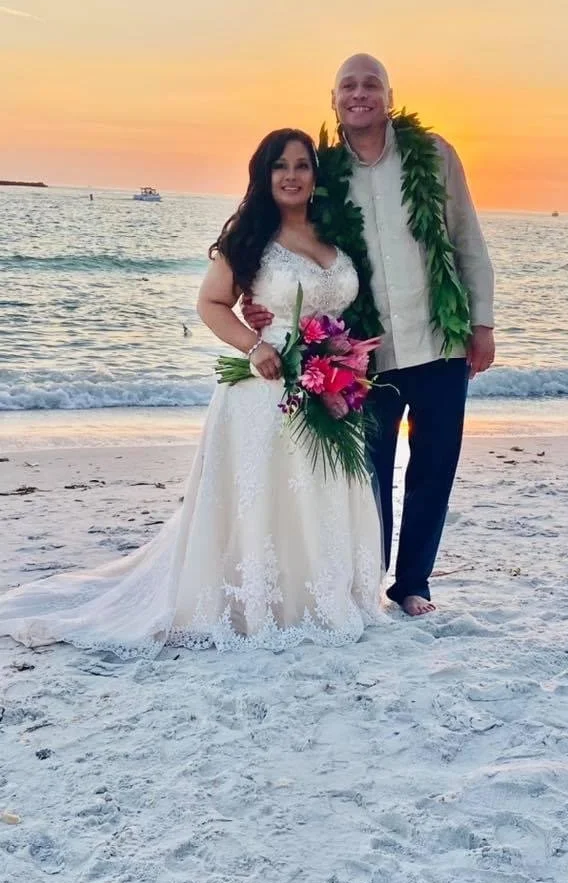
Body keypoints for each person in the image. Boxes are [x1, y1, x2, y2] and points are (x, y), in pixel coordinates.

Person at [0, 129, 384, 656]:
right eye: (280, 166)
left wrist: (346, 360)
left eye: (301, 165)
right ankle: (261, 603)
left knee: (317, 490)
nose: (291, 175)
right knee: (266, 498)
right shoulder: (251, 239)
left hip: (330, 388)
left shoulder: (332, 234)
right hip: (265, 391)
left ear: (316, 174)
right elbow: (211, 304)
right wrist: (255, 346)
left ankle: (321, 595)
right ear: (264, 175)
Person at [244, 55, 495, 617]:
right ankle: (366, 579)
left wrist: (483, 323)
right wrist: (257, 296)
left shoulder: (434, 155)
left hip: (441, 341)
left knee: (434, 465)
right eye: (348, 86)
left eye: (370, 84)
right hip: (361, 353)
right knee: (367, 473)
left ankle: (414, 585)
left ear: (388, 94)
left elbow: (467, 240)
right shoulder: (324, 171)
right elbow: (286, 234)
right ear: (333, 100)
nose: (360, 94)